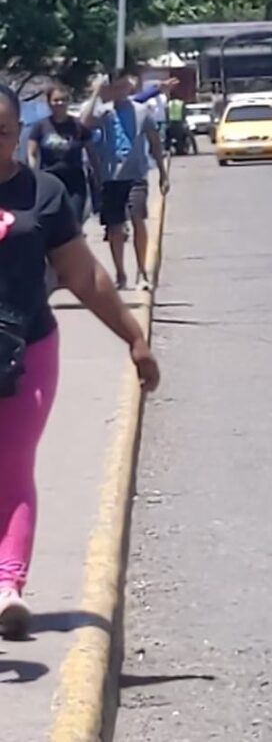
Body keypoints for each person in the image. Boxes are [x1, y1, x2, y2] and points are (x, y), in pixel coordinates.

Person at [0, 83, 159, 639]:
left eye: (0, 130)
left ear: (18, 133)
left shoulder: (42, 193)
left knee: (12, 466)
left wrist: (133, 336)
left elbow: (84, 277)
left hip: (26, 352)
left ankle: (8, 587)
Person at [81, 71, 169, 292]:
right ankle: (120, 273)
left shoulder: (141, 111)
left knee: (138, 217)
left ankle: (143, 271)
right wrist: (96, 94)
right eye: (115, 88)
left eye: (123, 87)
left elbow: (154, 142)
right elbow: (84, 123)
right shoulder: (104, 112)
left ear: (129, 88)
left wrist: (162, 172)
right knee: (115, 227)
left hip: (136, 174)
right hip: (111, 177)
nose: (119, 92)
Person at [27, 84, 100, 224]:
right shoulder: (40, 126)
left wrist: (97, 178)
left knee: (73, 221)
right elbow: (32, 153)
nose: (60, 103)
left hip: (74, 183)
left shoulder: (78, 126)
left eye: (63, 99)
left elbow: (92, 154)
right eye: (56, 100)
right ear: (49, 103)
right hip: (50, 180)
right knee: (51, 221)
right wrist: (32, 173)